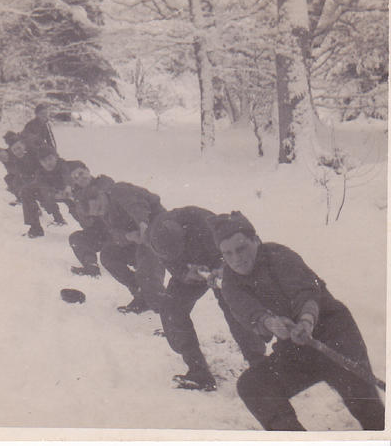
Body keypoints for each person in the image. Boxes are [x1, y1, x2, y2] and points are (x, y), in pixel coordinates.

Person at [208, 211, 385, 430]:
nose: (236, 259)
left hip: (336, 335)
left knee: (369, 411)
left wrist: (306, 321)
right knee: (253, 386)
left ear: (255, 240)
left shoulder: (278, 256)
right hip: (296, 348)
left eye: (241, 248)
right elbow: (248, 312)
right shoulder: (230, 283)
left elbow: (307, 292)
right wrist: (269, 323)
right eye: (228, 253)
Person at [146, 207, 266, 391]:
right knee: (171, 308)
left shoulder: (204, 222)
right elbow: (167, 261)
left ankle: (259, 365)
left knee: (232, 307)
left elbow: (235, 250)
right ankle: (198, 372)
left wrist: (221, 268)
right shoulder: (154, 235)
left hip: (222, 265)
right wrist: (185, 272)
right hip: (193, 270)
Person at [78, 179, 166, 314]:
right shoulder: (105, 212)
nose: (101, 213)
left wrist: (143, 225)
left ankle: (168, 315)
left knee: (147, 274)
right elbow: (114, 232)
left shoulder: (119, 190)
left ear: (101, 194)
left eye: (100, 208)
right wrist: (128, 236)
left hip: (157, 232)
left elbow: (136, 205)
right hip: (139, 241)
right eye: (97, 214)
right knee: (108, 255)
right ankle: (141, 293)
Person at [21, 145, 85, 238]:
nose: (48, 163)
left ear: (56, 157)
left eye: (50, 159)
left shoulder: (64, 165)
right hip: (53, 194)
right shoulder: (40, 172)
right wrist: (53, 195)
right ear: (40, 163)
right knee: (26, 191)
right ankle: (35, 228)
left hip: (71, 192)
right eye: (44, 161)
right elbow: (43, 188)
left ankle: (92, 229)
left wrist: (68, 187)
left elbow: (66, 175)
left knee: (79, 207)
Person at [67, 167, 114, 277]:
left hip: (117, 230)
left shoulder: (103, 181)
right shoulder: (78, 198)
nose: (80, 178)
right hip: (101, 234)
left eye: (81, 173)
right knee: (76, 237)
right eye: (75, 178)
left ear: (88, 171)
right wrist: (77, 207)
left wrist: (80, 198)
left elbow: (103, 188)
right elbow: (86, 224)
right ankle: (91, 266)